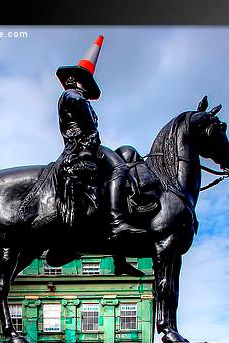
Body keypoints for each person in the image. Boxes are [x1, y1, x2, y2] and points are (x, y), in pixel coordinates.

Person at [55, 35, 146, 238]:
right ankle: (116, 221)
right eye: (84, 81)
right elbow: (85, 121)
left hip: (89, 147)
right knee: (120, 167)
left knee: (128, 154)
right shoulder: (72, 96)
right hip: (81, 148)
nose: (86, 87)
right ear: (79, 82)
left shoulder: (77, 97)